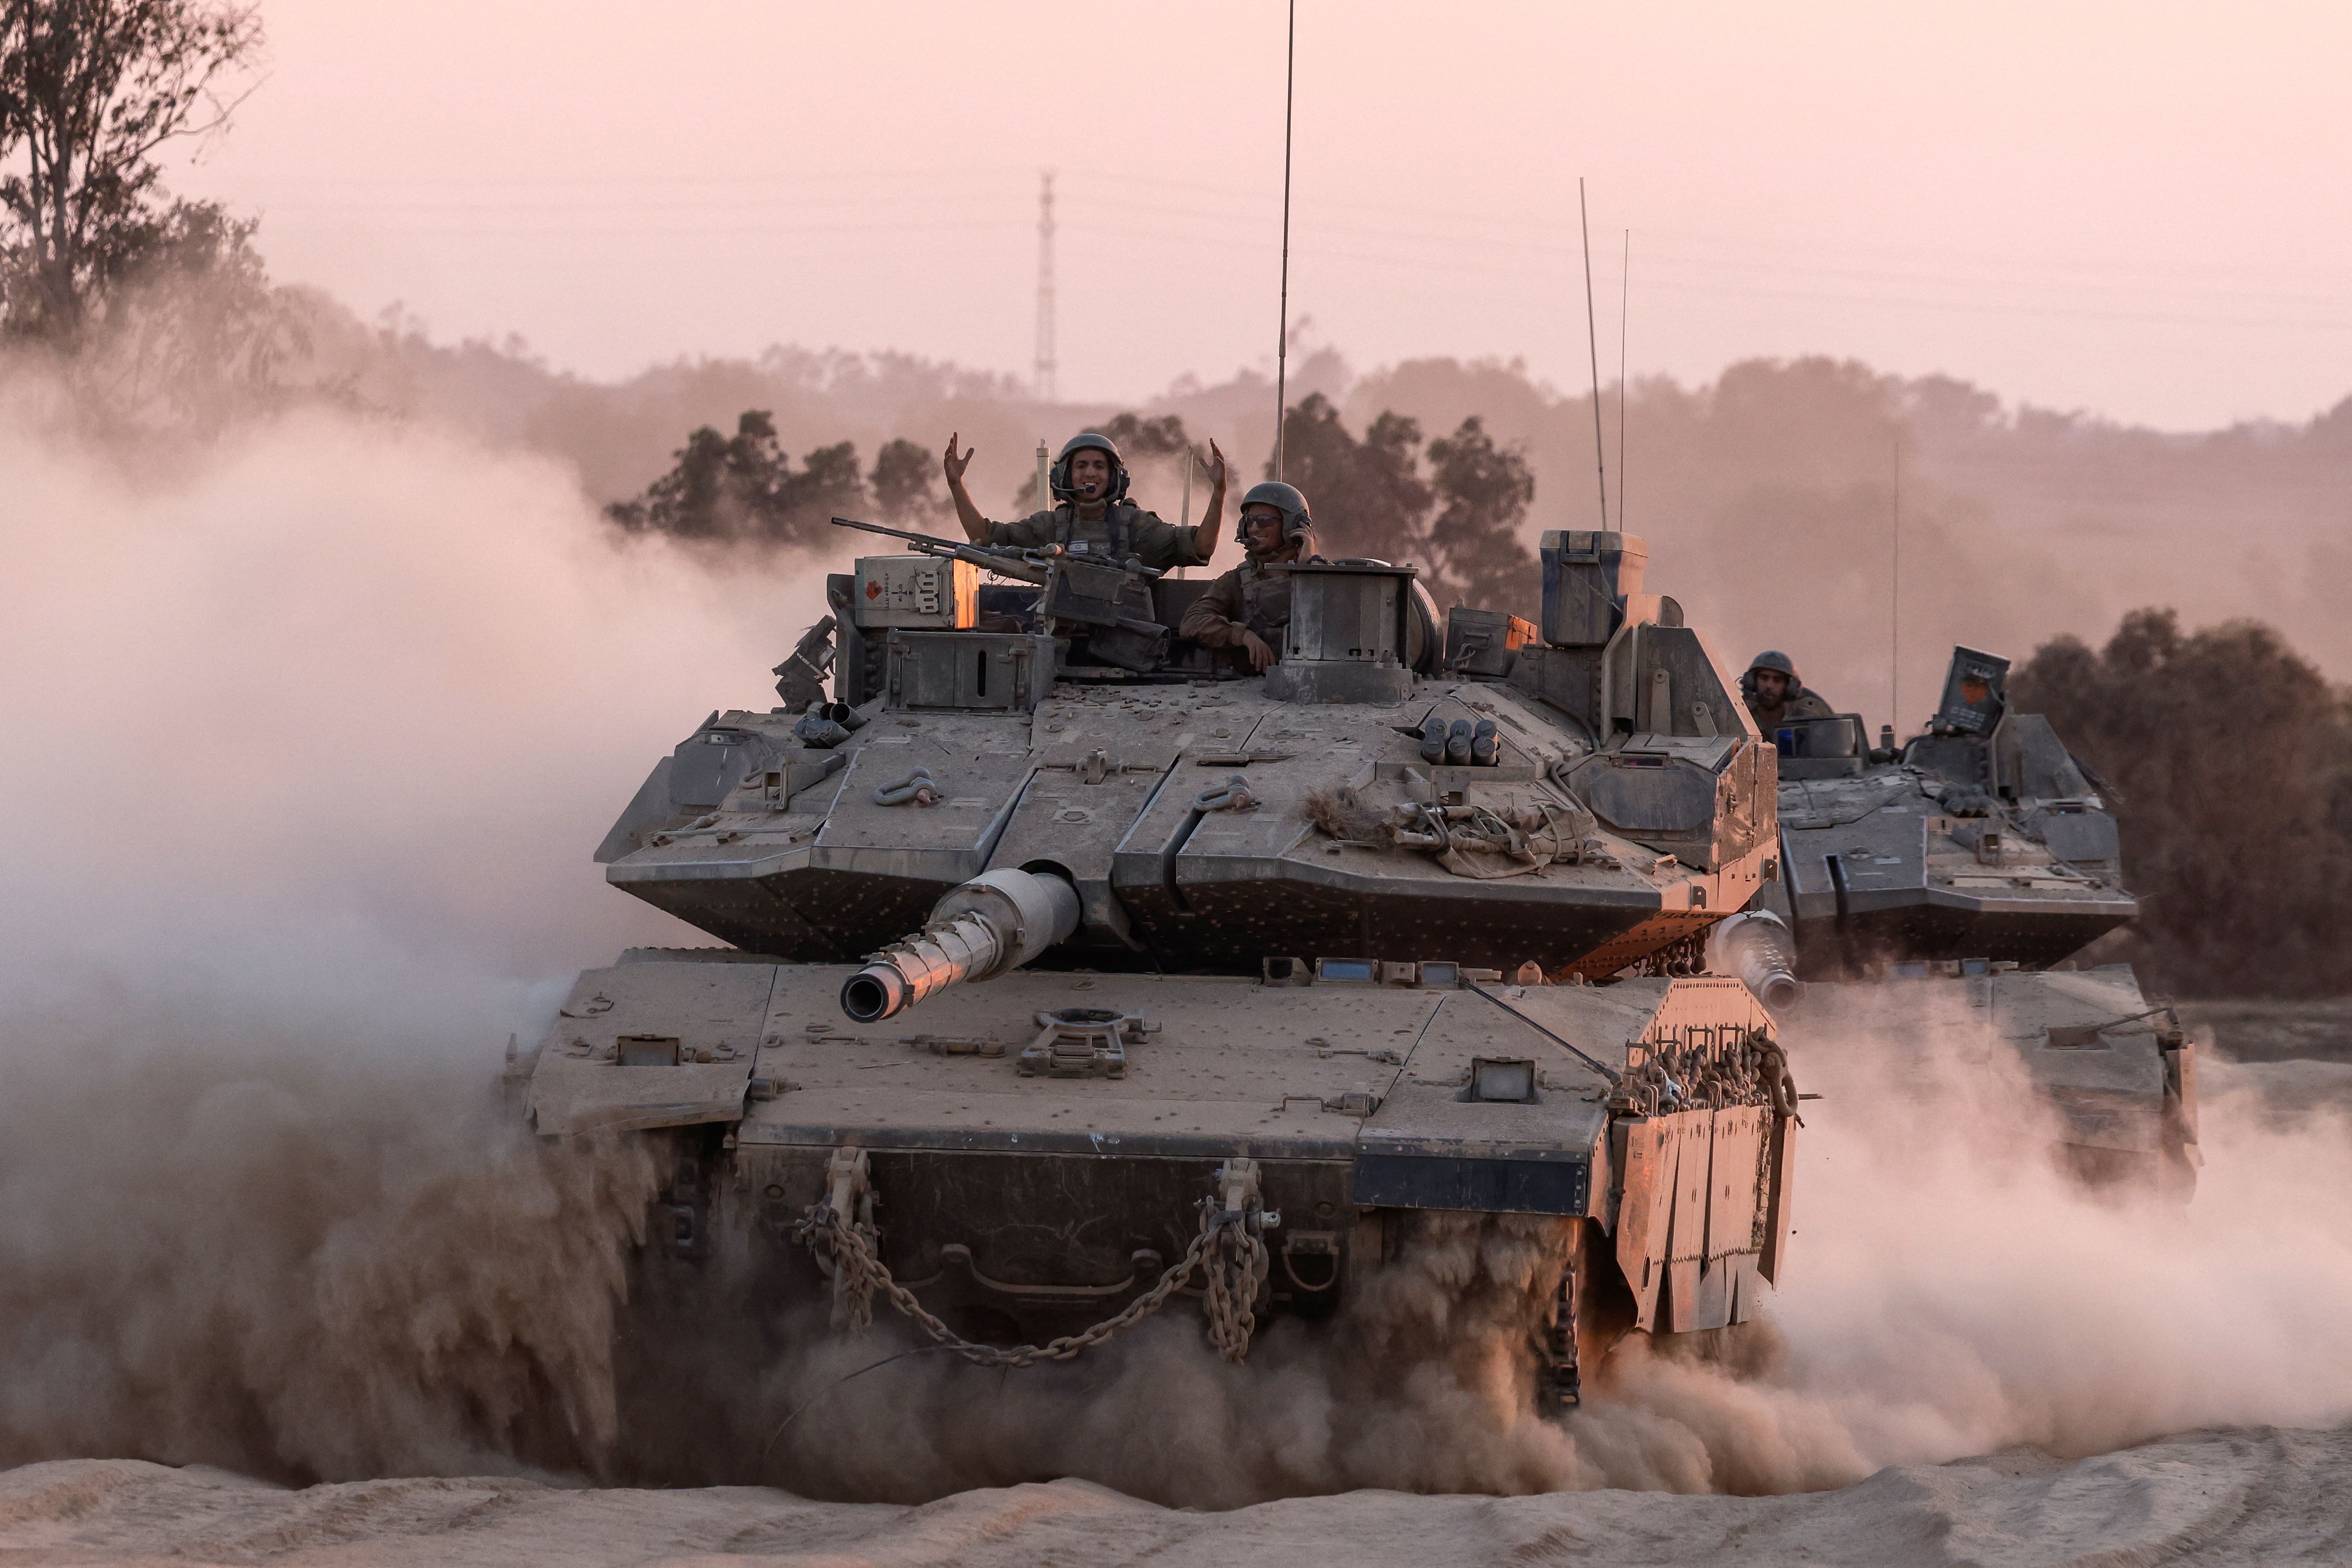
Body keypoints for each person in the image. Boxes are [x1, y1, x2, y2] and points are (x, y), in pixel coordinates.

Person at [941, 430, 1225, 573]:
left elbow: (1201, 546)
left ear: (1114, 476)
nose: (1091, 473)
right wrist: (956, 484)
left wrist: (1219, 492)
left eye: (1100, 466)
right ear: (1067, 474)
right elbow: (985, 537)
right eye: (1082, 466)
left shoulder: (1137, 527)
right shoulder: (1049, 526)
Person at [1180, 481, 1322, 672]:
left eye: (1264, 521)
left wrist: (1309, 570)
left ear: (1292, 525)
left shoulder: (1326, 576)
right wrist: (1241, 635)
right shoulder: (1237, 581)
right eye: (1249, 521)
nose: (1254, 529)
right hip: (1254, 689)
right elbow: (1192, 622)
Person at [1742, 650, 1836, 731]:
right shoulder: (1741, 715)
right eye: (1763, 678)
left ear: (1790, 687)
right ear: (1752, 682)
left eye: (1777, 680)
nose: (1769, 686)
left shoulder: (1808, 714)